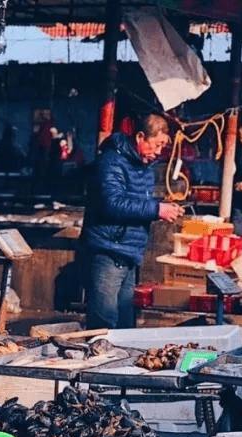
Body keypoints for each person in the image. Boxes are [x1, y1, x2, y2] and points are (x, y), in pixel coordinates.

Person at [79, 112, 182, 329]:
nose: (158, 152)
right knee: (104, 322)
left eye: (163, 146)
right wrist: (156, 209)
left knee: (125, 323)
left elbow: (134, 202)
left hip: (129, 251)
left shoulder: (144, 167)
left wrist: (161, 207)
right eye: (156, 144)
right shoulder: (111, 161)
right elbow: (112, 203)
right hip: (108, 249)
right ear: (140, 137)